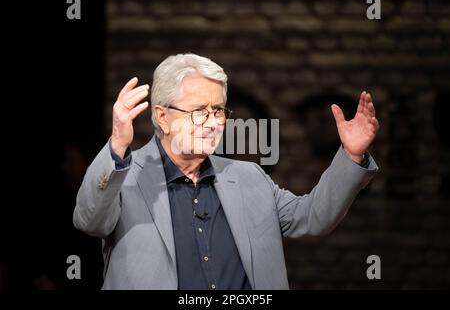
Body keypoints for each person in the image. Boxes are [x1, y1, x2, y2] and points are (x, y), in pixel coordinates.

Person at [73, 53, 379, 289]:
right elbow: (88, 219)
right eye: (198, 111)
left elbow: (313, 216)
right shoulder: (126, 176)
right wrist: (116, 147)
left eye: (218, 110)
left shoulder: (249, 178)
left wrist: (352, 155)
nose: (212, 121)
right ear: (162, 117)